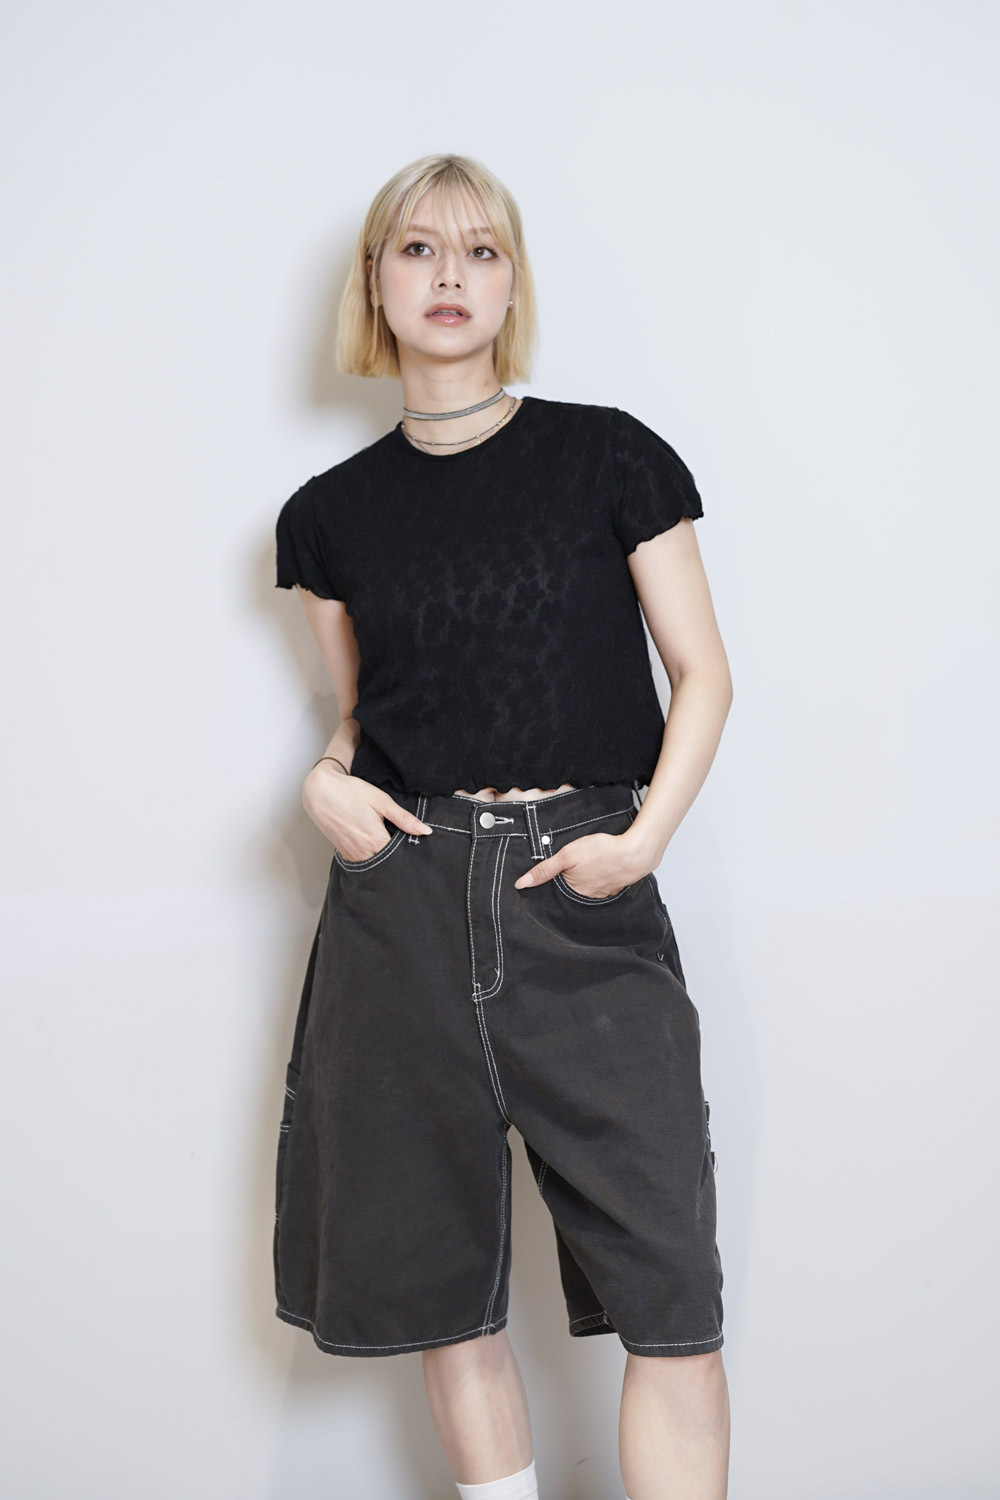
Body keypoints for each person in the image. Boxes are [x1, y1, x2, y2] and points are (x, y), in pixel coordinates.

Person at [271, 153, 733, 1500]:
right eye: (418, 250)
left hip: (584, 883)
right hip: (403, 899)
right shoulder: (327, 517)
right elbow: (362, 714)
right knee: (447, 1286)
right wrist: (322, 782)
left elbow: (703, 675)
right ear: (376, 283)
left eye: (480, 251)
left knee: (672, 1294)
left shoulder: (610, 454)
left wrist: (639, 846)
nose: (450, 276)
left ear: (513, 282)